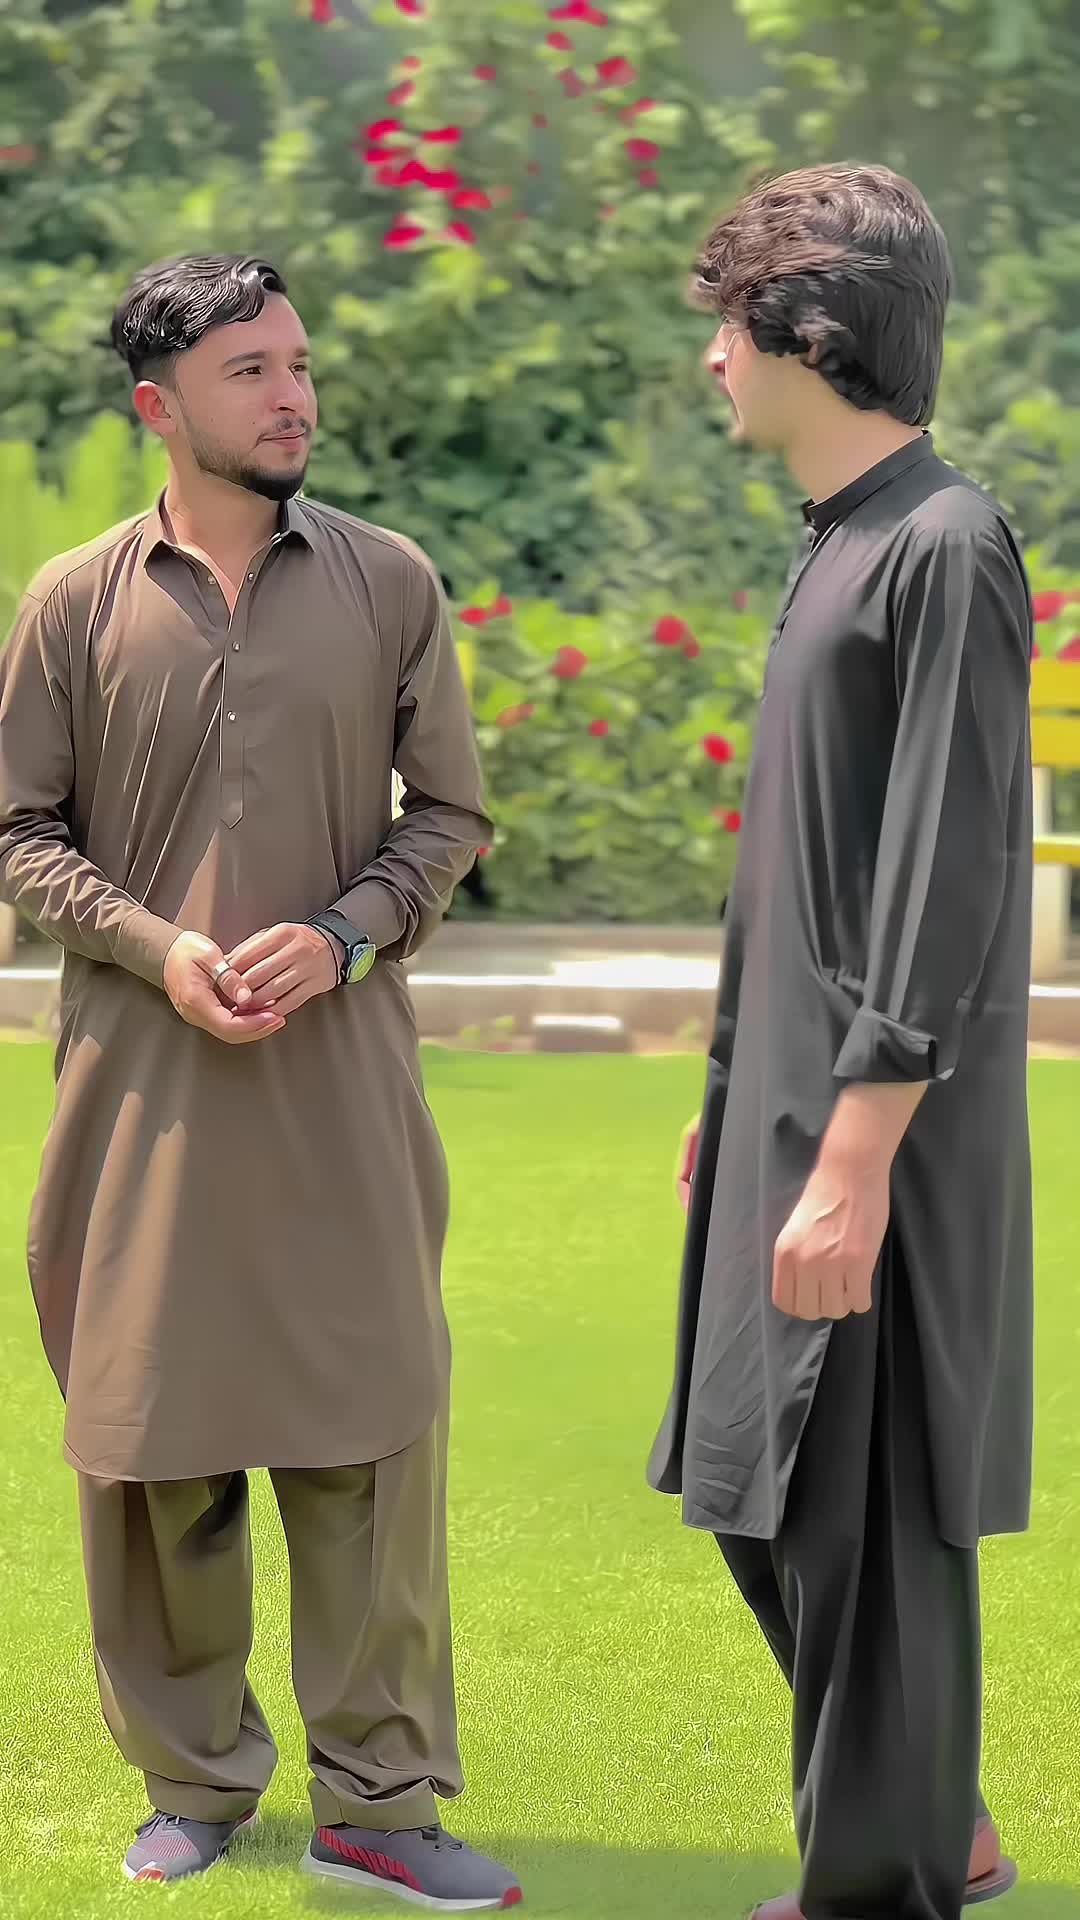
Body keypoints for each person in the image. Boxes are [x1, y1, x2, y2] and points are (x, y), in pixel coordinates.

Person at [0, 252, 521, 1909]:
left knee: (369, 1437)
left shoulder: (389, 582)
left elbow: (449, 818)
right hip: (141, 1099)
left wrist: (345, 936)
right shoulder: (74, 602)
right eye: (252, 370)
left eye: (299, 363)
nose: (294, 395)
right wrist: (161, 949)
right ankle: (193, 1783)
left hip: (341, 1086)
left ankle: (384, 1801)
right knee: (157, 1445)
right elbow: (18, 831)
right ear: (157, 405)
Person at [649, 166, 1033, 1920]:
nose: (712, 356)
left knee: (863, 1515)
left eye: (730, 323)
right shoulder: (841, 542)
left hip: (880, 1131)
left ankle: (875, 1883)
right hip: (783, 1109)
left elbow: (948, 873)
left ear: (807, 332)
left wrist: (857, 1157)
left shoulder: (945, 544)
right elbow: (806, 867)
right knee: (753, 1482)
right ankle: (945, 1820)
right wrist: (735, 1102)